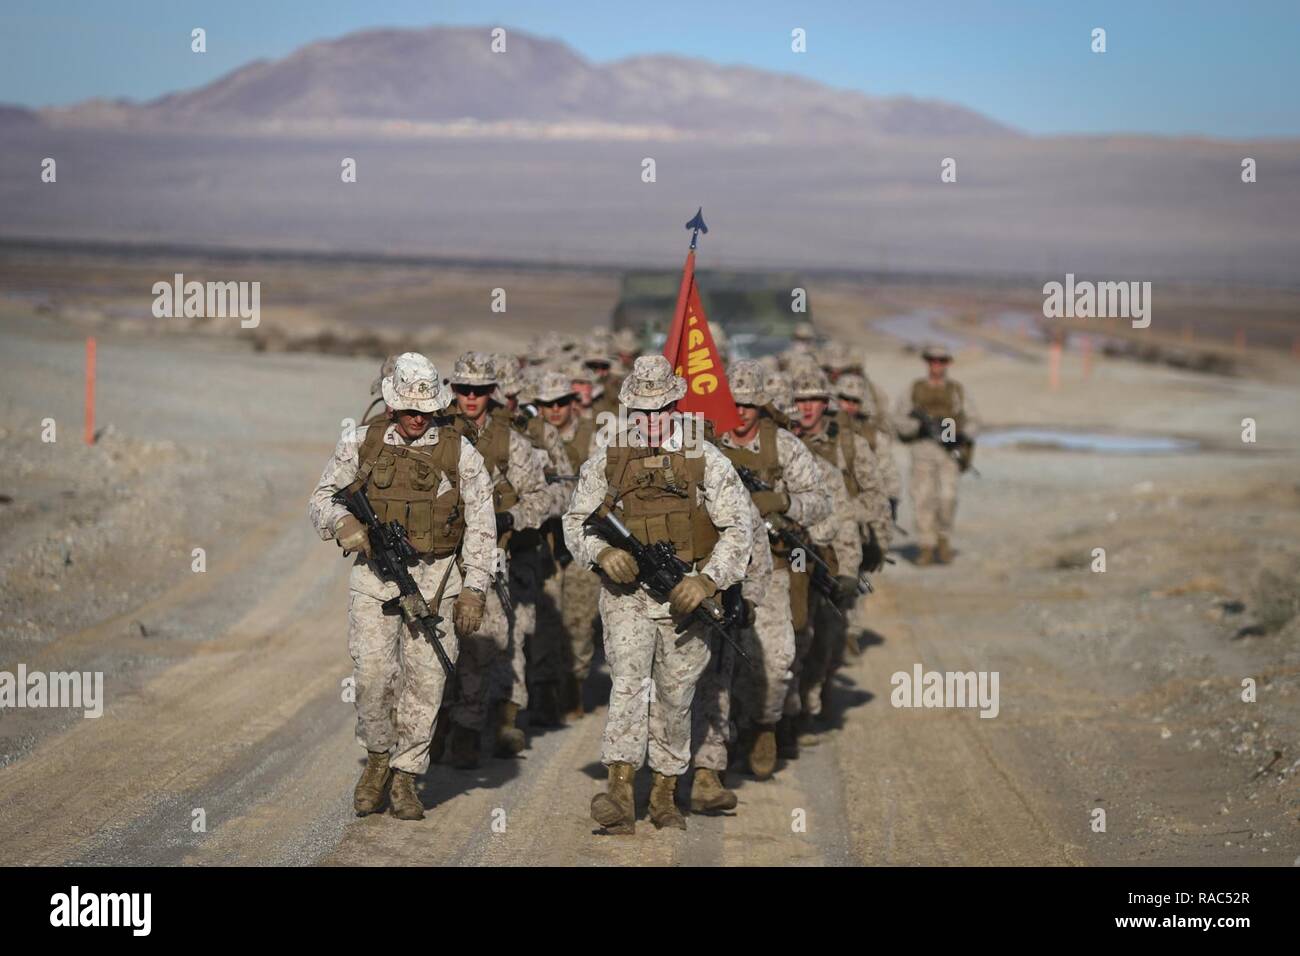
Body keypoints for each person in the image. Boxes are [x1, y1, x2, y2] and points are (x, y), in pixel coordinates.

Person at [562, 356, 752, 833]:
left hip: (686, 600)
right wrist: (602, 554)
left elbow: (739, 531)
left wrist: (707, 581)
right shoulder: (609, 454)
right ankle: (620, 790)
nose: (649, 422)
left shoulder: (707, 458)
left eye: (659, 410)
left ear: (675, 404)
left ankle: (666, 792)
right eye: (640, 413)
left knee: (675, 693)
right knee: (628, 684)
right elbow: (575, 521)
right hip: (626, 596)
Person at [308, 353, 495, 821]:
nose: (417, 417)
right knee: (372, 679)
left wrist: (474, 588)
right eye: (409, 408)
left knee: (426, 685)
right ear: (392, 406)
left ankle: (407, 776)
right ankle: (376, 761)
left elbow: (482, 527)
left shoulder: (460, 453)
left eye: (425, 409)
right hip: (375, 581)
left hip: (437, 584)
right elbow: (320, 499)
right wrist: (344, 523)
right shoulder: (362, 444)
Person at [705, 360, 831, 783]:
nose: (739, 412)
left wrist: (782, 504)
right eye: (733, 403)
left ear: (761, 406)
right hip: (720, 570)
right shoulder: (710, 444)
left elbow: (820, 501)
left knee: (776, 663)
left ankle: (765, 726)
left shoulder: (787, 448)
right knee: (717, 665)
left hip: (773, 570)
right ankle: (715, 753)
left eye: (748, 404)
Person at [445, 352, 551, 765]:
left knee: (479, 643)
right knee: (430, 643)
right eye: (464, 389)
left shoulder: (511, 442)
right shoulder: (433, 433)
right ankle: (433, 725)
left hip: (488, 556)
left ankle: (468, 729)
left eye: (480, 390)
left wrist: (511, 516)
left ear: (492, 392)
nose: (471, 398)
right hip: (434, 557)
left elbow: (541, 499)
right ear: (453, 390)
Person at [893, 343, 981, 565]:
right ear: (927, 362)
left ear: (948, 363)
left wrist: (958, 436)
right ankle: (926, 546)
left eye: (941, 361)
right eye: (932, 360)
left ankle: (943, 538)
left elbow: (973, 420)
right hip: (923, 450)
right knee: (922, 498)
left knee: (947, 498)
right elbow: (898, 419)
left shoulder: (956, 392)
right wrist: (917, 427)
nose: (936, 365)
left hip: (948, 452)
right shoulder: (914, 389)